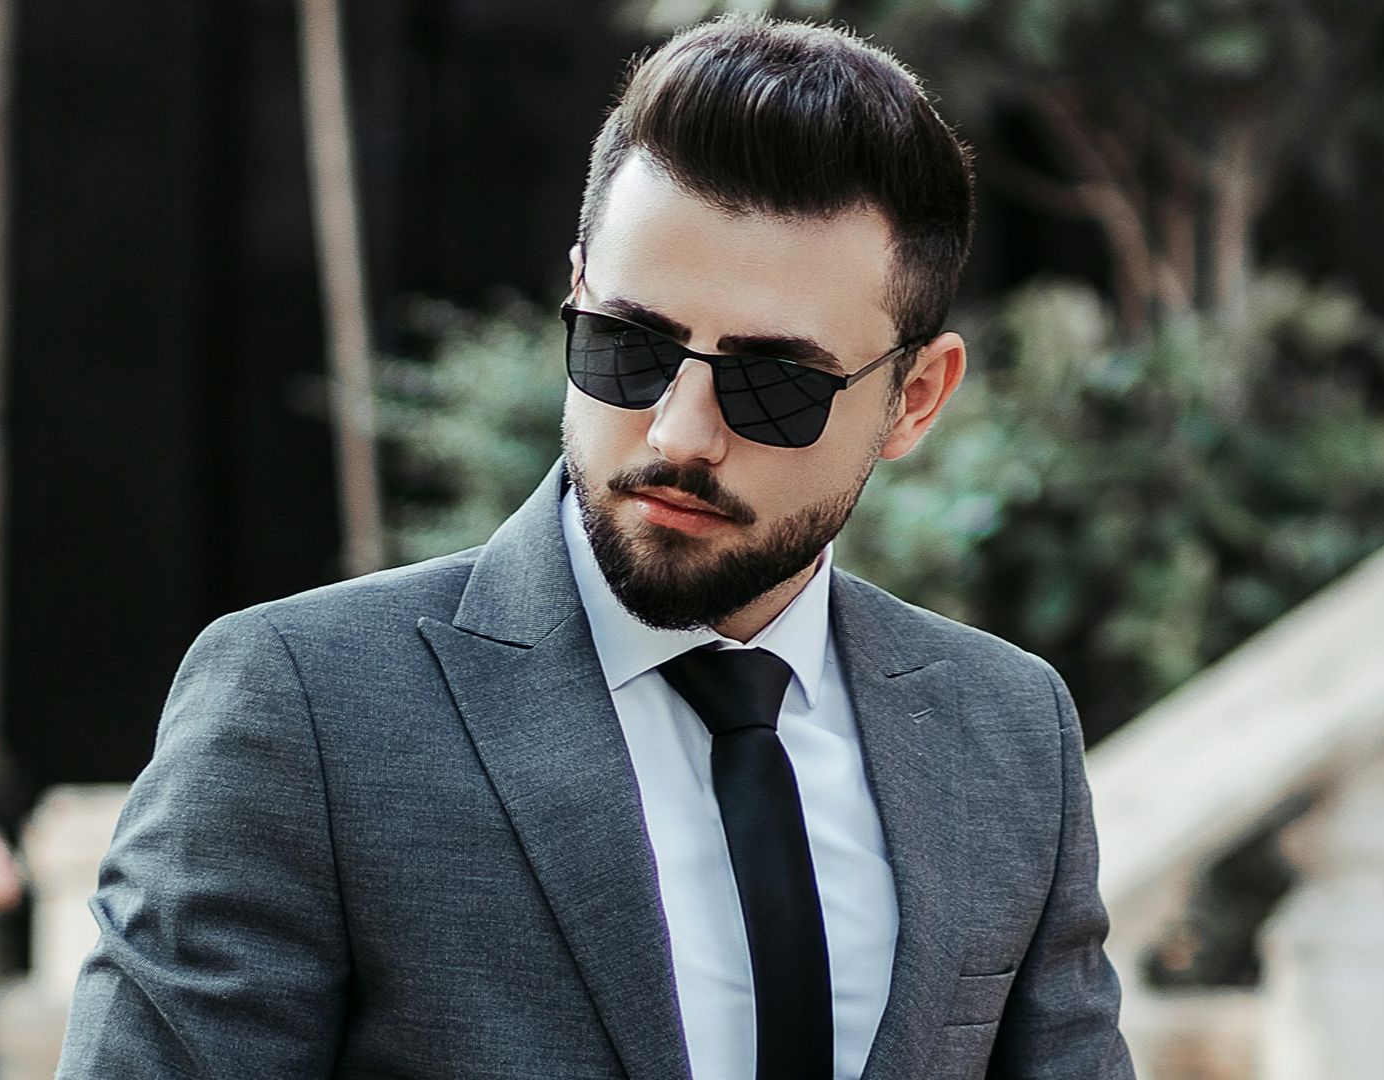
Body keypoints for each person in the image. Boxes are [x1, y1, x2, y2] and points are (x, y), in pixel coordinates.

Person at [56, 15, 1133, 1080]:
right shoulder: (304, 711)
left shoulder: (1006, 733)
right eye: (629, 345)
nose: (678, 432)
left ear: (916, 399)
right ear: (576, 298)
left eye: (775, 384)